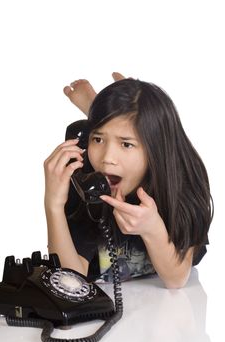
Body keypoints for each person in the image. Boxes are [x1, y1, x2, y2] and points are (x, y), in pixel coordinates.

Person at [44, 73, 213, 289]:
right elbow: (71, 283)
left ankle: (97, 109)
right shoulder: (88, 181)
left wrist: (153, 229)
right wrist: (53, 204)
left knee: (139, 128)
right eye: (97, 139)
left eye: (126, 144)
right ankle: (102, 115)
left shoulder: (182, 179)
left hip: (168, 313)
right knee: (121, 129)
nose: (106, 159)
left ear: (155, 150)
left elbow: (176, 279)